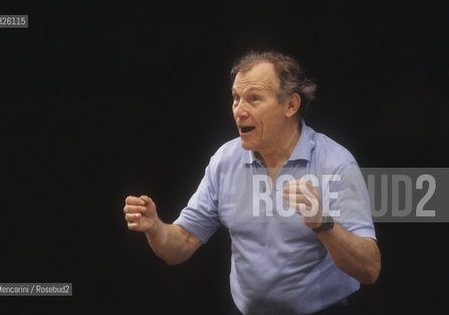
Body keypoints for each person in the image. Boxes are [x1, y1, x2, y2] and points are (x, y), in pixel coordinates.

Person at [123, 51, 381, 315]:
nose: (239, 111)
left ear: (291, 106)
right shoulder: (225, 161)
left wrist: (323, 224)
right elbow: (182, 243)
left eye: (254, 99)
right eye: (236, 98)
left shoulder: (335, 163)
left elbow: (369, 269)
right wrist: (154, 227)